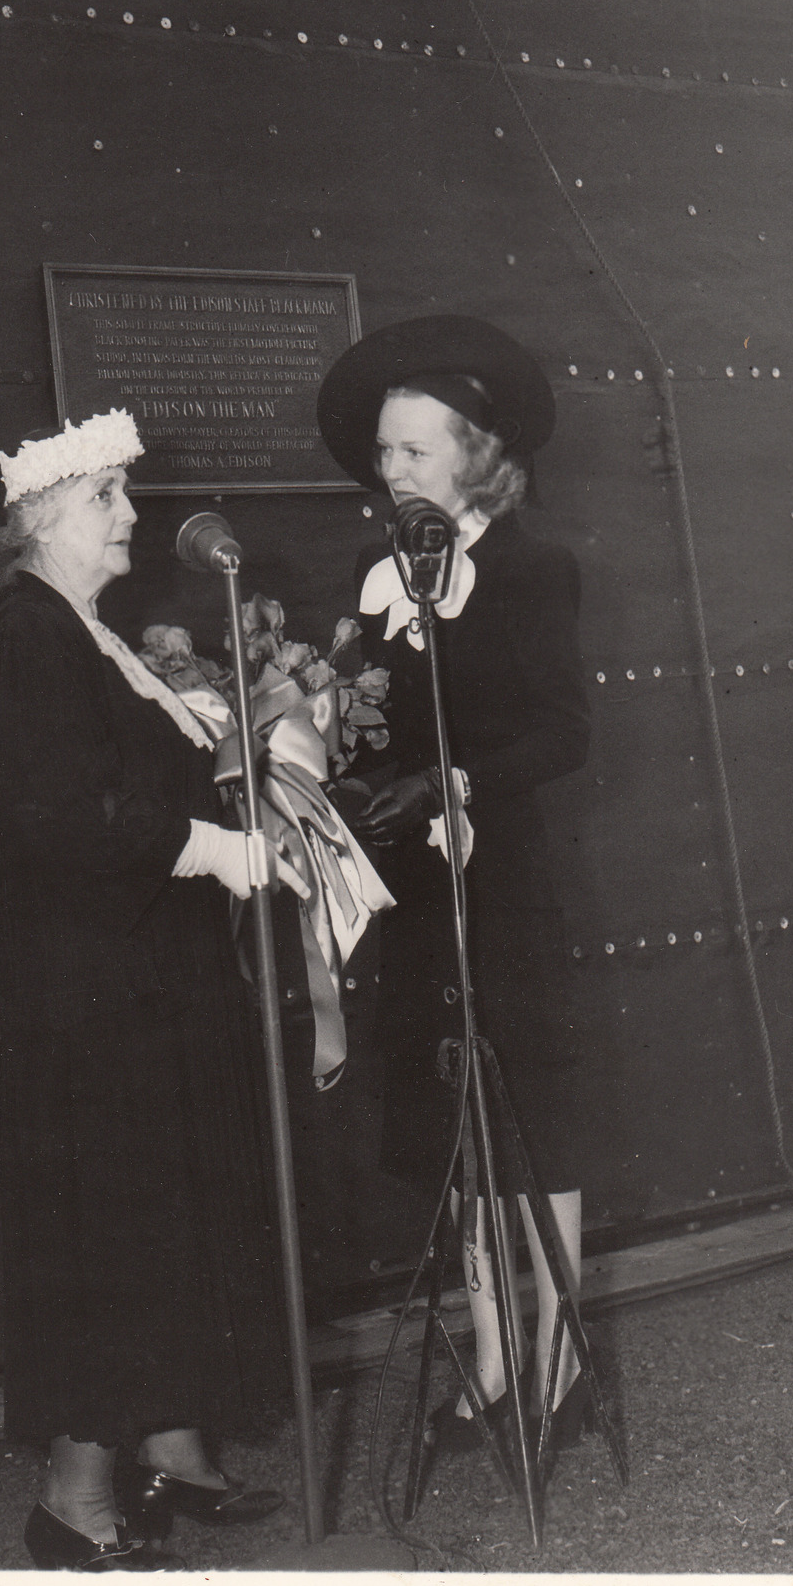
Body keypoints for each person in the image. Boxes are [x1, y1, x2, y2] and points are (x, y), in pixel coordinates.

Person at [0, 408, 307, 1570]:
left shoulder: (79, 632)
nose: (130, 519)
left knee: (165, 1219)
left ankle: (174, 1452)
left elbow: (111, 769)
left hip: (141, 984)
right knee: (110, 1235)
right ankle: (74, 1505)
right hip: (93, 1000)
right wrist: (215, 849)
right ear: (46, 518)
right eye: (107, 498)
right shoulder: (27, 636)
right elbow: (60, 817)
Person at [316, 316, 594, 1454]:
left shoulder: (530, 567)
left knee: (530, 1114)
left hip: (502, 882)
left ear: (474, 457)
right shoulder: (379, 580)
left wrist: (447, 780)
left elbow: (563, 732)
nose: (391, 472)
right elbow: (373, 719)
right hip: (417, 891)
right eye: (383, 453)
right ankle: (487, 1364)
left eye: (413, 452)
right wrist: (344, 761)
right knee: (455, 1131)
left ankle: (559, 1362)